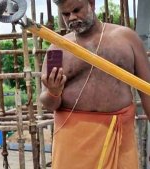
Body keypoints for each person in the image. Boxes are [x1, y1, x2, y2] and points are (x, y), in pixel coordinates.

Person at [39, 0, 150, 168]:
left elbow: (147, 89)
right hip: (74, 142)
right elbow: (49, 103)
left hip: (119, 137)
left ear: (91, 3)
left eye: (77, 10)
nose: (72, 18)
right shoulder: (57, 50)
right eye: (66, 14)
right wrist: (53, 92)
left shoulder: (127, 38)